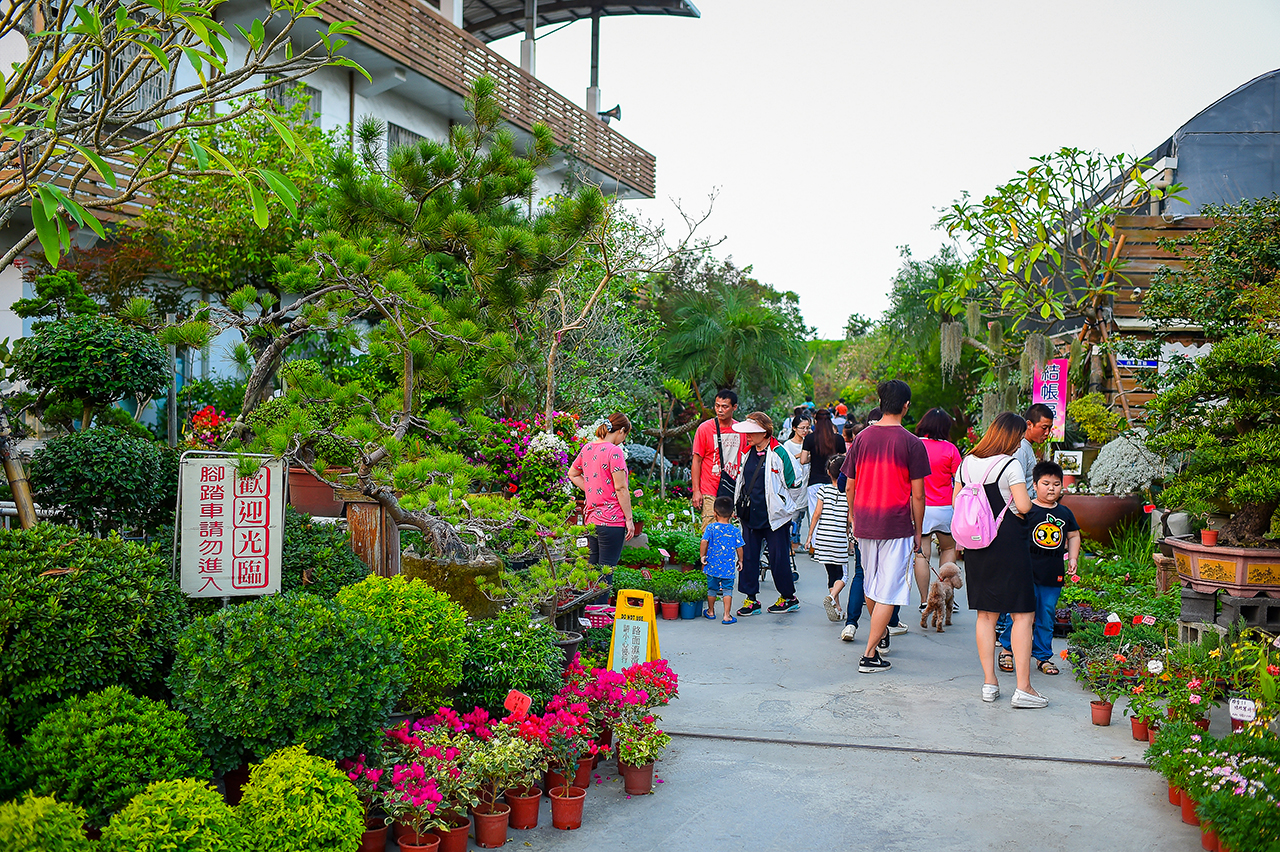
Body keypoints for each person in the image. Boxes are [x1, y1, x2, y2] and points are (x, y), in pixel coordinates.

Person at [954, 411, 1045, 708]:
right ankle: (1023, 688)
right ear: (1012, 437)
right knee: (1022, 614)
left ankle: (989, 684)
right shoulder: (1010, 465)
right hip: (1007, 541)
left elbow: (957, 502)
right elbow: (1022, 504)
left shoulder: (967, 463)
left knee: (985, 614)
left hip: (977, 543)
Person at [841, 380, 930, 673]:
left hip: (865, 522)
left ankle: (880, 639)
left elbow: (849, 485)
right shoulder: (911, 443)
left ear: (881, 404)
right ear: (906, 406)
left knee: (871, 582)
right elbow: (918, 494)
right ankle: (869, 654)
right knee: (889, 590)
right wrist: (918, 530)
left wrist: (853, 516)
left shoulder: (862, 439)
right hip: (895, 524)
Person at [996, 460, 1080, 674]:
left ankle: (1043, 657)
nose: (1051, 488)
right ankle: (1007, 649)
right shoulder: (1027, 509)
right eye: (1045, 483)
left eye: (1056, 484)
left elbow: (1073, 535)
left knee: (1046, 613)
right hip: (1025, 572)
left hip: (1052, 574)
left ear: (1062, 486)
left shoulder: (1065, 513)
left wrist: (1073, 558)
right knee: (1019, 613)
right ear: (1034, 485)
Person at [995, 402, 1057, 667]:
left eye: (1050, 428)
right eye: (1044, 427)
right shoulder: (1019, 449)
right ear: (1028, 425)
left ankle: (1005, 636)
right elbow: (1017, 492)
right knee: (1018, 592)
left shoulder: (1028, 448)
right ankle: (1006, 642)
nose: (1047, 433)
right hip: (1020, 521)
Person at [732, 413, 804, 616]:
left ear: (764, 432)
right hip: (749, 516)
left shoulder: (780, 453)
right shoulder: (746, 453)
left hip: (775, 518)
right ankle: (750, 599)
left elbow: (795, 484)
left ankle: (788, 597)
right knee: (748, 558)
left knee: (779, 559)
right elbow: (742, 482)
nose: (747, 435)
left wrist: (784, 505)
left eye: (751, 432)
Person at [567, 412, 634, 575]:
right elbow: (621, 488)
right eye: (625, 435)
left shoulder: (587, 448)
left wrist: (593, 489)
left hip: (592, 520)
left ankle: (592, 602)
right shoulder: (615, 451)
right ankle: (601, 602)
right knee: (606, 572)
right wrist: (630, 519)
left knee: (593, 572)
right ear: (621, 430)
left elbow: (572, 474)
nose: (623, 440)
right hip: (612, 521)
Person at [915, 407, 962, 609]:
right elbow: (959, 480)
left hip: (921, 506)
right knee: (948, 548)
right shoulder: (951, 449)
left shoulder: (915, 445)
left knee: (921, 555)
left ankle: (925, 600)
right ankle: (945, 596)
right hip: (945, 507)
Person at [806, 454, 850, 624]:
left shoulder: (823, 490)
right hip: (838, 538)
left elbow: (816, 514)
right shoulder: (848, 492)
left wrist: (810, 536)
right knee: (843, 575)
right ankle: (832, 597)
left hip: (823, 538)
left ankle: (837, 608)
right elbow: (849, 518)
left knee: (832, 574)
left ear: (828, 472)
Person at [691, 390, 742, 532]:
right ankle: (706, 555)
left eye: (725, 406)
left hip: (733, 489)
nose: (720, 410)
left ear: (734, 407)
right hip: (710, 488)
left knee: (730, 532)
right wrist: (696, 491)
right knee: (709, 530)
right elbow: (696, 461)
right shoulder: (705, 429)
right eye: (717, 405)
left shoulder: (741, 430)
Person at [701, 496, 745, 624]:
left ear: (714, 513)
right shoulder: (735, 530)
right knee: (727, 590)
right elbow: (740, 547)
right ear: (732, 514)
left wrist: (702, 556)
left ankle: (710, 611)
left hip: (712, 566)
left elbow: (704, 542)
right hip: (728, 567)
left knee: (712, 589)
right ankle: (726, 615)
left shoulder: (711, 528)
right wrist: (740, 560)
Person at [803, 408, 842, 526]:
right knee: (833, 518)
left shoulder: (809, 438)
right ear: (830, 421)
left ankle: (814, 542)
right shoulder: (838, 439)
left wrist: (813, 457)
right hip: (834, 482)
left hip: (814, 482)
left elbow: (803, 460)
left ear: (815, 421)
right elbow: (843, 461)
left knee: (815, 517)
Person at [781, 413, 812, 553]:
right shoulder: (788, 445)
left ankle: (802, 542)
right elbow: (785, 463)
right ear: (794, 428)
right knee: (794, 516)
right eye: (802, 428)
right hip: (795, 485)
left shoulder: (810, 442)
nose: (805, 431)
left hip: (808, 483)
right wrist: (801, 455)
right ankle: (791, 543)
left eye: (808, 428)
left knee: (804, 515)